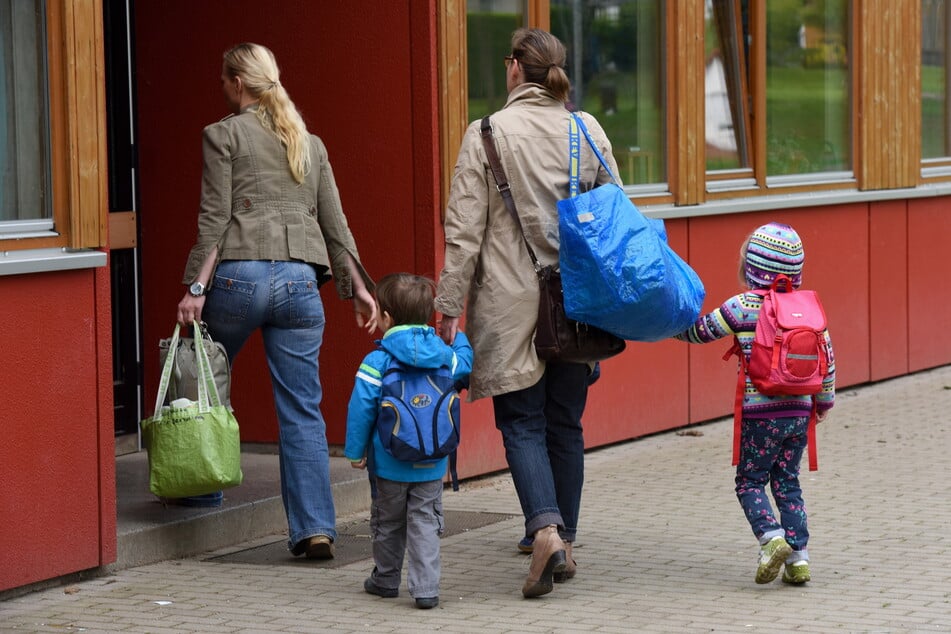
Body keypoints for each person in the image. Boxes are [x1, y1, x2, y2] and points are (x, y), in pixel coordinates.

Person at [434, 28, 620, 598]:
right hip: (578, 304)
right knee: (566, 421)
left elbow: (464, 234)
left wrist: (447, 308)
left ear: (515, 68)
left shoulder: (486, 133)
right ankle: (562, 530)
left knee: (522, 421)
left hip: (511, 303)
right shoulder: (586, 128)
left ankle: (542, 530)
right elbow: (614, 215)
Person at [176, 42, 378, 558]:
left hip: (239, 278)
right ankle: (314, 529)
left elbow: (214, 220)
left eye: (224, 84)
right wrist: (358, 290)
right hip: (299, 286)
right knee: (302, 411)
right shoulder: (309, 142)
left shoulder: (222, 135)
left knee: (204, 373)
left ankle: (202, 488)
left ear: (237, 84)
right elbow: (337, 225)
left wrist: (196, 288)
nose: (223, 92)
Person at [674, 222, 836, 585]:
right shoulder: (809, 308)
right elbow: (828, 360)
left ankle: (770, 537)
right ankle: (799, 559)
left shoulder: (742, 306)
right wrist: (823, 403)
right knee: (787, 481)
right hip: (799, 412)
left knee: (749, 481)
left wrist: (666, 322)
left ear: (751, 266)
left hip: (760, 414)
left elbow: (700, 332)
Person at [344, 273, 472, 609]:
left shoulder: (378, 360)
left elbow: (361, 408)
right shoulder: (444, 355)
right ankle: (426, 589)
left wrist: (355, 451)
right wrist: (458, 338)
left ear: (386, 318)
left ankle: (386, 580)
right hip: (432, 462)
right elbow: (466, 361)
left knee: (387, 522)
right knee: (425, 520)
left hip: (389, 462)